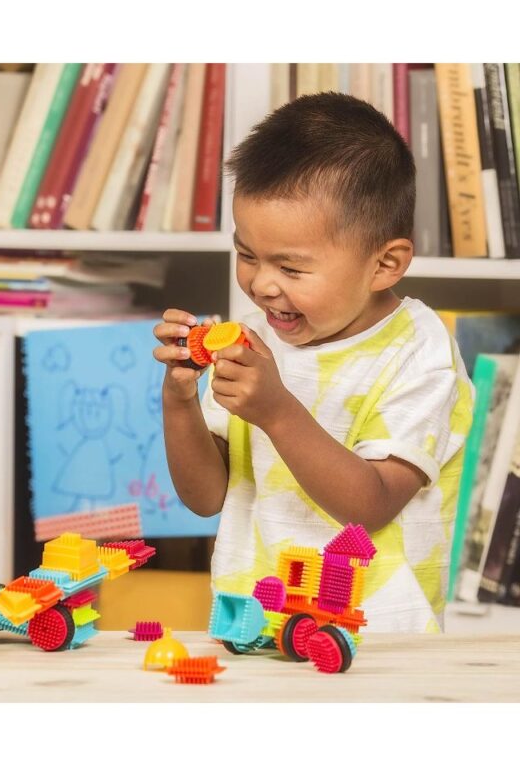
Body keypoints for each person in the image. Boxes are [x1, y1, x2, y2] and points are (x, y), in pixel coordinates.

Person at [153, 92, 473, 632]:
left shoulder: (419, 352)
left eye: (292, 268)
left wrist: (278, 412)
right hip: (251, 620)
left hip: (375, 638)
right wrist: (179, 399)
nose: (261, 283)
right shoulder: (259, 338)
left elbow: (369, 506)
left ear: (385, 264)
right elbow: (206, 498)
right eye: (248, 255)